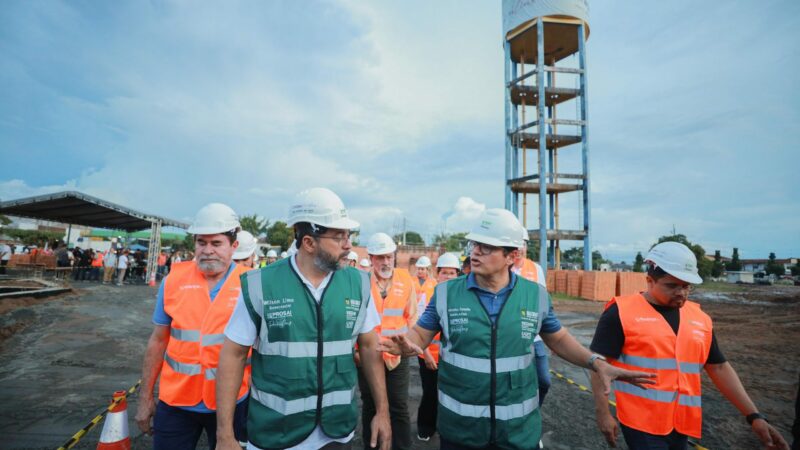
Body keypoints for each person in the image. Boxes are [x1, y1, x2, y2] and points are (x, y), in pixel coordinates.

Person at [379, 208, 655, 450]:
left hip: (517, 433)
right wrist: (405, 345)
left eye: (486, 247)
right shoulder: (446, 293)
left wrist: (595, 362)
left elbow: (557, 338)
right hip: (461, 431)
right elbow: (420, 334)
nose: (475, 252)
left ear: (511, 256)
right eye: (475, 245)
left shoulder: (535, 295)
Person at [215, 187, 391, 450]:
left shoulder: (359, 283)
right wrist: (224, 435)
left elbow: (368, 346)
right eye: (339, 236)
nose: (349, 245)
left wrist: (383, 411)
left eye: (349, 235)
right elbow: (233, 355)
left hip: (336, 432)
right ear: (308, 242)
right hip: (277, 435)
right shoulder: (262, 284)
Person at [590, 242, 789, 450]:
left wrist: (754, 416)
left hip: (683, 424)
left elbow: (718, 367)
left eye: (686, 286)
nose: (681, 293)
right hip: (642, 424)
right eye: (672, 285)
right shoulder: (621, 312)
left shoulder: (700, 319)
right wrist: (603, 414)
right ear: (650, 281)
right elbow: (598, 366)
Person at [135, 203, 249, 449]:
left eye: (216, 243)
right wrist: (145, 398)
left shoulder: (250, 284)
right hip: (176, 401)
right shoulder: (173, 280)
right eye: (201, 243)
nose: (207, 251)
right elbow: (158, 341)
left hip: (232, 403)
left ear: (234, 246)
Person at [359, 232, 417, 450]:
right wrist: (357, 352)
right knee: (370, 406)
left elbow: (412, 317)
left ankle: (401, 446)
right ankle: (371, 446)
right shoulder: (362, 282)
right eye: (380, 257)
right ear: (372, 258)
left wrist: (408, 345)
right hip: (369, 355)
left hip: (396, 356)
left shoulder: (406, 280)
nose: (385, 262)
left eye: (389, 257)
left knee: (399, 406)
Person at [416, 252, 461, 442]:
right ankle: (425, 427)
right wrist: (425, 353)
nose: (448, 277)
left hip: (452, 358)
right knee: (431, 393)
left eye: (452, 273)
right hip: (430, 355)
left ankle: (447, 428)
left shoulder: (461, 296)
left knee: (451, 395)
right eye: (445, 273)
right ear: (437, 273)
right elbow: (419, 327)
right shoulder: (428, 293)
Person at [511, 230, 550, 407]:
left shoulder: (536, 269)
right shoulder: (503, 268)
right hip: (512, 337)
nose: (520, 248)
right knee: (514, 384)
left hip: (535, 336)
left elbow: (543, 302)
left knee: (544, 381)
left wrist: (552, 337)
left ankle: (534, 411)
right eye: (516, 244)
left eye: (523, 244)